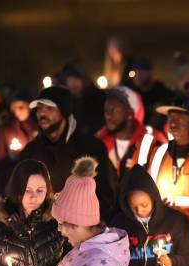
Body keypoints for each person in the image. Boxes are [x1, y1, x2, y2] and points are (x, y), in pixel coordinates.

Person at [18, 86, 117, 221]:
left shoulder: (91, 149)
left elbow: (106, 196)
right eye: (39, 109)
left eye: (49, 108)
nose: (42, 113)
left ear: (64, 111)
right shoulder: (31, 151)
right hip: (39, 231)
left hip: (79, 231)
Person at [146, 96, 189, 224]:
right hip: (166, 232)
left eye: (180, 117)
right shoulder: (160, 153)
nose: (173, 123)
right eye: (170, 118)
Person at [96, 86, 166, 178]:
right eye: (106, 110)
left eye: (114, 110)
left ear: (130, 113)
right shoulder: (98, 141)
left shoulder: (153, 141)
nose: (108, 115)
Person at [0, 90, 38, 193]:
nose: (18, 111)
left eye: (21, 107)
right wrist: (10, 157)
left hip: (33, 180)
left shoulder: (37, 127)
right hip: (11, 181)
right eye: (15, 108)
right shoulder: (6, 129)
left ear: (29, 108)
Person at [131, 57, 174, 124]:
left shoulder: (163, 94)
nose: (137, 76)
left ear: (150, 73)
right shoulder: (132, 94)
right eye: (135, 72)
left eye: (141, 72)